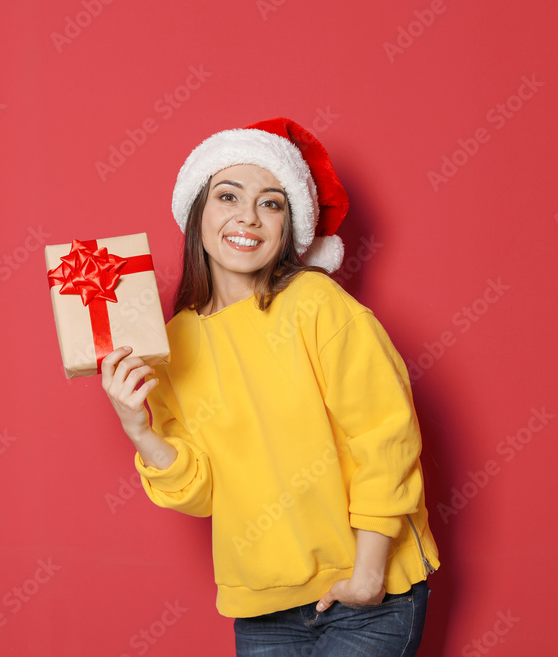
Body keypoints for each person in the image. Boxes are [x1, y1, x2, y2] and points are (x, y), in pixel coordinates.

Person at [101, 117, 440, 656]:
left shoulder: (317, 304)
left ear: (290, 226)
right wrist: (138, 429)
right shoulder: (171, 343)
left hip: (366, 596)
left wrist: (368, 575)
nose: (248, 218)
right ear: (198, 213)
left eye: (271, 203)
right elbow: (206, 492)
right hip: (262, 609)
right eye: (228, 195)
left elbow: (386, 435)